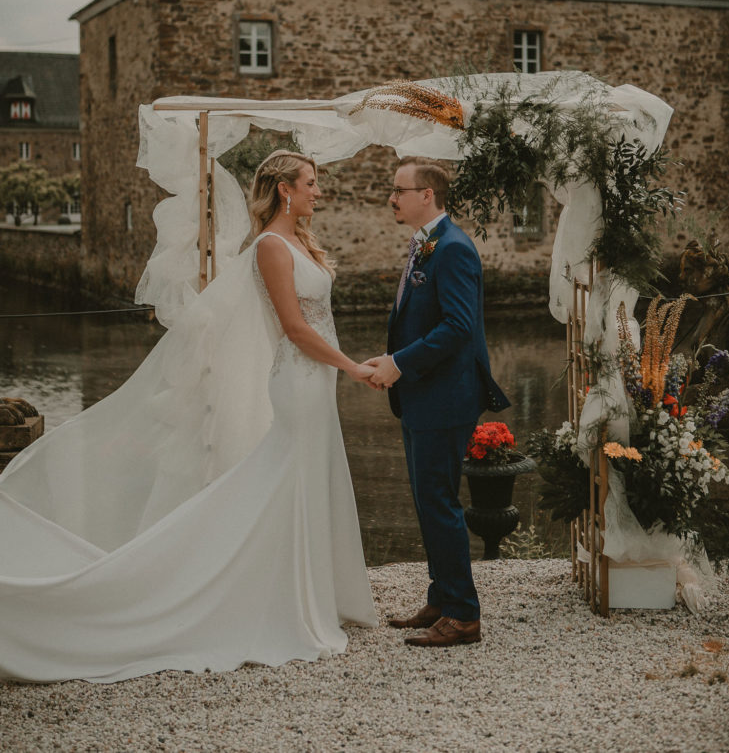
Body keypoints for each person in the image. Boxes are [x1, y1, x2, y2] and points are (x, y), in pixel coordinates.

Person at [0, 150, 376, 682]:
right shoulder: (270, 246)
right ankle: (225, 583)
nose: (319, 191)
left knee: (305, 479)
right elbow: (294, 327)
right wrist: (354, 367)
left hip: (318, 382)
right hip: (298, 380)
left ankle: (306, 587)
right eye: (311, 183)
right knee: (281, 479)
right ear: (285, 190)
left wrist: (342, 369)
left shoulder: (300, 243)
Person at [366, 157, 510, 648]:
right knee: (429, 502)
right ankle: (441, 597)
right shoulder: (426, 245)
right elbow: (422, 319)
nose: (393, 197)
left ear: (426, 195)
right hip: (422, 393)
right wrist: (392, 358)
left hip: (445, 397)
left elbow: (458, 328)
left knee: (440, 503)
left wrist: (400, 363)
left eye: (399, 189)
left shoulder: (452, 248)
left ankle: (464, 615)